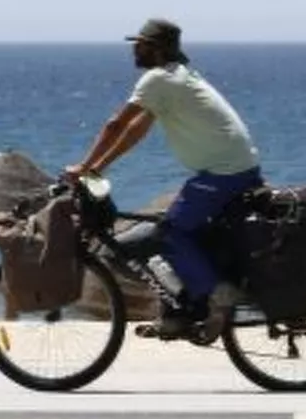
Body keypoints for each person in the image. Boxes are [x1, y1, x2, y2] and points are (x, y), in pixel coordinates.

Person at [66, 17, 262, 339]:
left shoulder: (158, 79)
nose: (135, 50)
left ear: (155, 50)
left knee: (169, 232)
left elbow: (116, 123)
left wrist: (86, 167)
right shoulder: (176, 79)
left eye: (140, 45)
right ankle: (181, 312)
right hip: (235, 168)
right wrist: (99, 167)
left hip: (224, 173)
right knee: (181, 229)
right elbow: (136, 130)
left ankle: (217, 296)